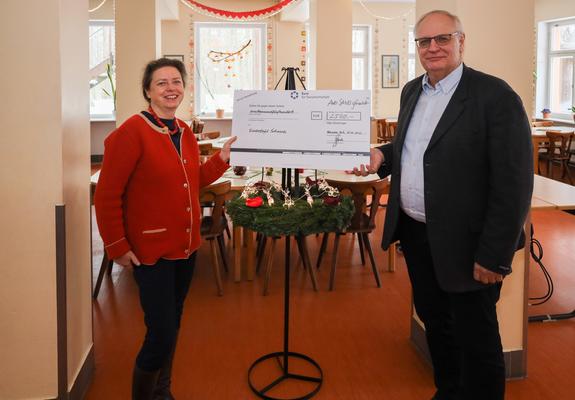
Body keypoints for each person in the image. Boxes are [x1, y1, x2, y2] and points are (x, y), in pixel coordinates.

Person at [352, 10, 533, 400]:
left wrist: (494, 255)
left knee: (477, 340)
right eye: (424, 41)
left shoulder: (495, 97)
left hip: (470, 245)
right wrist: (383, 154)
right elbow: (415, 151)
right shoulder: (412, 91)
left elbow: (514, 183)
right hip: (418, 237)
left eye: (442, 39)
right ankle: (448, 392)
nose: (432, 48)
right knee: (438, 326)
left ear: (461, 42)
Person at [94, 58, 236, 400]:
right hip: (150, 253)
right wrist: (117, 246)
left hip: (185, 247)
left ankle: (163, 392)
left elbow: (193, 180)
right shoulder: (130, 133)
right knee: (160, 333)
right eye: (162, 83)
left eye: (176, 81)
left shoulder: (184, 133)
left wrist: (222, 158)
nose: (171, 88)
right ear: (148, 91)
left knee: (170, 326)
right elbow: (107, 196)